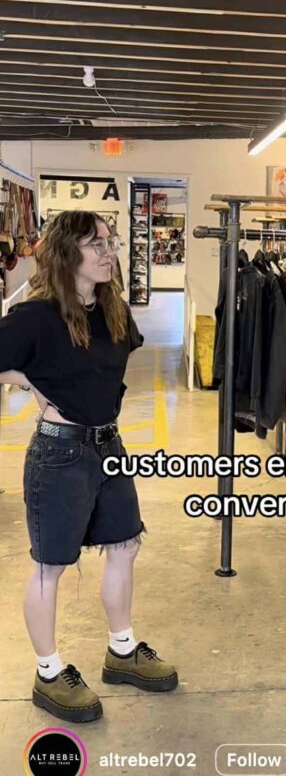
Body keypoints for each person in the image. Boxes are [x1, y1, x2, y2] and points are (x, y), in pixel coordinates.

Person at [0, 211, 177, 724]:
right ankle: (48, 672)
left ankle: (121, 651)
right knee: (49, 565)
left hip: (108, 446)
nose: (108, 251)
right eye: (94, 243)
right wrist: (25, 380)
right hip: (59, 452)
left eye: (110, 242)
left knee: (125, 545)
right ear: (65, 252)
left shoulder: (113, 308)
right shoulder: (36, 315)